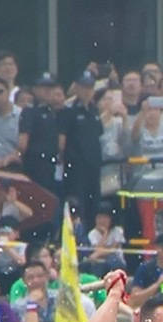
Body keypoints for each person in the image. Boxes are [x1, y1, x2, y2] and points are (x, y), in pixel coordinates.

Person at [59, 72, 103, 226]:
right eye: (84, 87)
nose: (87, 91)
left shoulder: (94, 110)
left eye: (90, 87)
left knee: (94, 204)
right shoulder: (69, 110)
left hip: (94, 167)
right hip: (76, 167)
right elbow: (61, 141)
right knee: (78, 205)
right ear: (77, 88)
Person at [18, 73, 61, 194]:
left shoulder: (54, 112)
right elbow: (23, 142)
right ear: (35, 89)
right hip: (35, 163)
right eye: (44, 87)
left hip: (51, 164)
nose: (48, 91)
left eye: (51, 88)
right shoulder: (30, 111)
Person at [84, 205, 127, 275]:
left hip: (116, 261)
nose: (102, 221)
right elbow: (97, 249)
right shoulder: (92, 233)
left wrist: (97, 254)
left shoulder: (118, 231)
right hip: (99, 261)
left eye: (105, 217)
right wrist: (105, 234)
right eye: (99, 218)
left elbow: (113, 249)